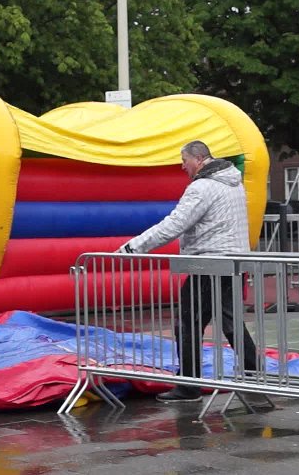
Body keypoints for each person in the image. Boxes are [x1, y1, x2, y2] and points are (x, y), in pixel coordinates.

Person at [118, 140, 258, 402]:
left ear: (199, 159)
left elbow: (174, 224)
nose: (182, 166)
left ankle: (189, 384)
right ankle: (254, 372)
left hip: (208, 264)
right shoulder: (234, 183)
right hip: (232, 261)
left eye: (184, 161)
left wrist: (132, 247)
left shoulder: (202, 187)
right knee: (230, 321)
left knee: (187, 323)